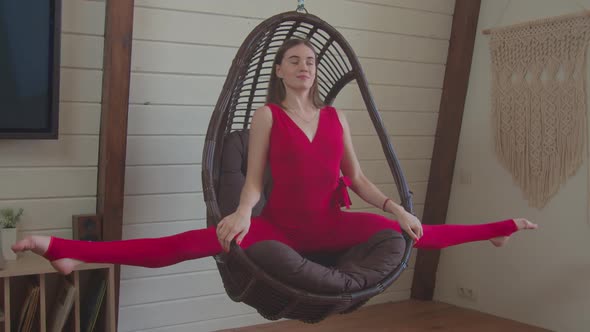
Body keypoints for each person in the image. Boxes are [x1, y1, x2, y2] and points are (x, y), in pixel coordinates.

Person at [12, 39, 537, 276]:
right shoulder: (267, 116)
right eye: (295, 60)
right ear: (281, 72)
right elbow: (255, 181)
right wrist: (242, 213)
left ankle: (495, 229)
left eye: (310, 60)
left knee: (409, 231)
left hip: (332, 225)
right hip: (280, 229)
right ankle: (67, 249)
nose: (304, 67)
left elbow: (355, 177)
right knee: (187, 244)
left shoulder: (337, 118)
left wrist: (393, 206)